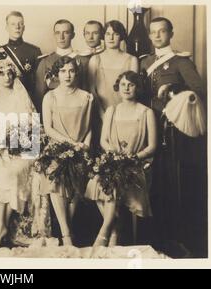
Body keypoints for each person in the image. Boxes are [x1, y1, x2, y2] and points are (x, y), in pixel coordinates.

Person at [141, 17, 206, 257]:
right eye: (153, 32)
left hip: (170, 133)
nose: (157, 36)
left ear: (170, 33)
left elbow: (197, 92)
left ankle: (175, 237)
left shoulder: (180, 62)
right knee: (148, 183)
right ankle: (152, 236)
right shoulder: (145, 62)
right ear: (149, 36)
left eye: (162, 31)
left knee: (170, 183)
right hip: (146, 129)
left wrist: (174, 91)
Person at [85, 71, 157, 247]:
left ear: (137, 88)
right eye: (123, 84)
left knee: (114, 181)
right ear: (118, 87)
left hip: (136, 165)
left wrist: (133, 158)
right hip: (113, 161)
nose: (126, 88)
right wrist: (116, 155)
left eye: (131, 85)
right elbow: (104, 140)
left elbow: (152, 146)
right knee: (98, 181)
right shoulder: (112, 110)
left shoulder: (146, 112)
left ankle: (106, 230)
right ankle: (113, 228)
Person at [0, 59, 37, 248]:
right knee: (2, 172)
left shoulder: (21, 97)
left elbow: (33, 130)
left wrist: (17, 143)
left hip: (23, 151)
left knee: (14, 171)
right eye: (2, 73)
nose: (7, 77)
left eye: (10, 73)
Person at [40, 56, 94, 246]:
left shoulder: (86, 97)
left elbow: (89, 128)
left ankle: (67, 229)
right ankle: (66, 235)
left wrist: (85, 145)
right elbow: (48, 128)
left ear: (76, 73)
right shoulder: (50, 97)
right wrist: (70, 143)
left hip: (79, 149)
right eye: (63, 71)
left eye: (71, 70)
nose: (67, 75)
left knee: (76, 189)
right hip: (57, 147)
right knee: (56, 183)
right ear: (57, 74)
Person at [0, 11, 42, 110]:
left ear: (24, 27)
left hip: (29, 100)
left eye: (20, 24)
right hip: (6, 102)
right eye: (13, 24)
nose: (17, 27)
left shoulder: (34, 51)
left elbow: (39, 83)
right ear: (7, 28)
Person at [35, 19, 89, 113]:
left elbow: (88, 93)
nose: (61, 37)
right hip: (53, 114)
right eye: (58, 33)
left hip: (78, 112)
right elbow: (39, 96)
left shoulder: (83, 61)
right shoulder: (45, 62)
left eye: (66, 33)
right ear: (54, 35)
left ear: (73, 35)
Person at [88, 20, 138, 117]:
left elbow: (133, 91)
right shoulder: (95, 59)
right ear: (103, 36)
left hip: (124, 113)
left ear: (121, 36)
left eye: (115, 34)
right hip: (99, 112)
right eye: (107, 34)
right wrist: (102, 114)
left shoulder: (132, 60)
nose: (111, 38)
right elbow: (92, 90)